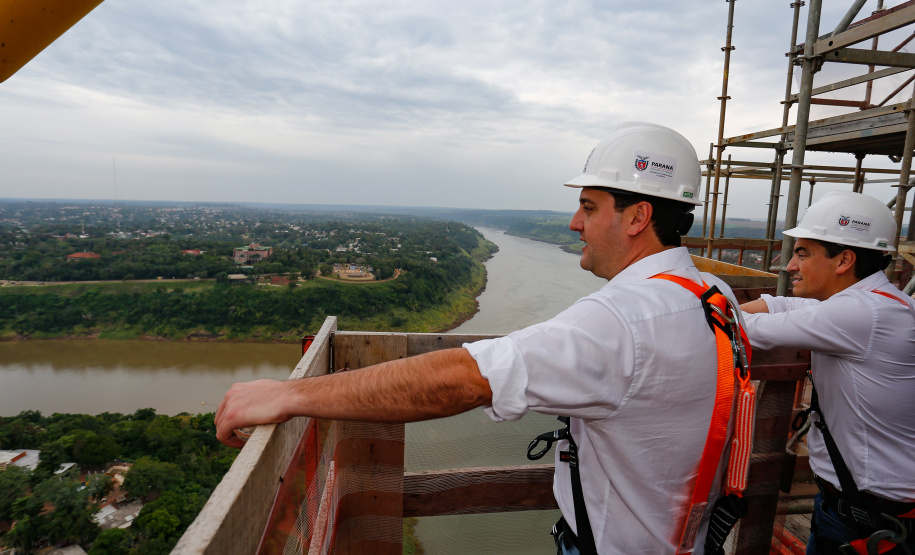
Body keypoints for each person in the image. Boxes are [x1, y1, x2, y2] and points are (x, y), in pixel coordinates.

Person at [216, 122, 743, 554]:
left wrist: (291, 395)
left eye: (588, 206)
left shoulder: (619, 321)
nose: (572, 223)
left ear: (638, 217)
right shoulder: (715, 296)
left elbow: (462, 380)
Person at [739, 191, 915, 555]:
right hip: (864, 509)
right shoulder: (881, 303)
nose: (789, 265)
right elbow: (783, 302)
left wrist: (690, 307)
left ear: (844, 260)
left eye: (802, 253)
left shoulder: (862, 315)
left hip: (870, 520)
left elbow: (742, 328)